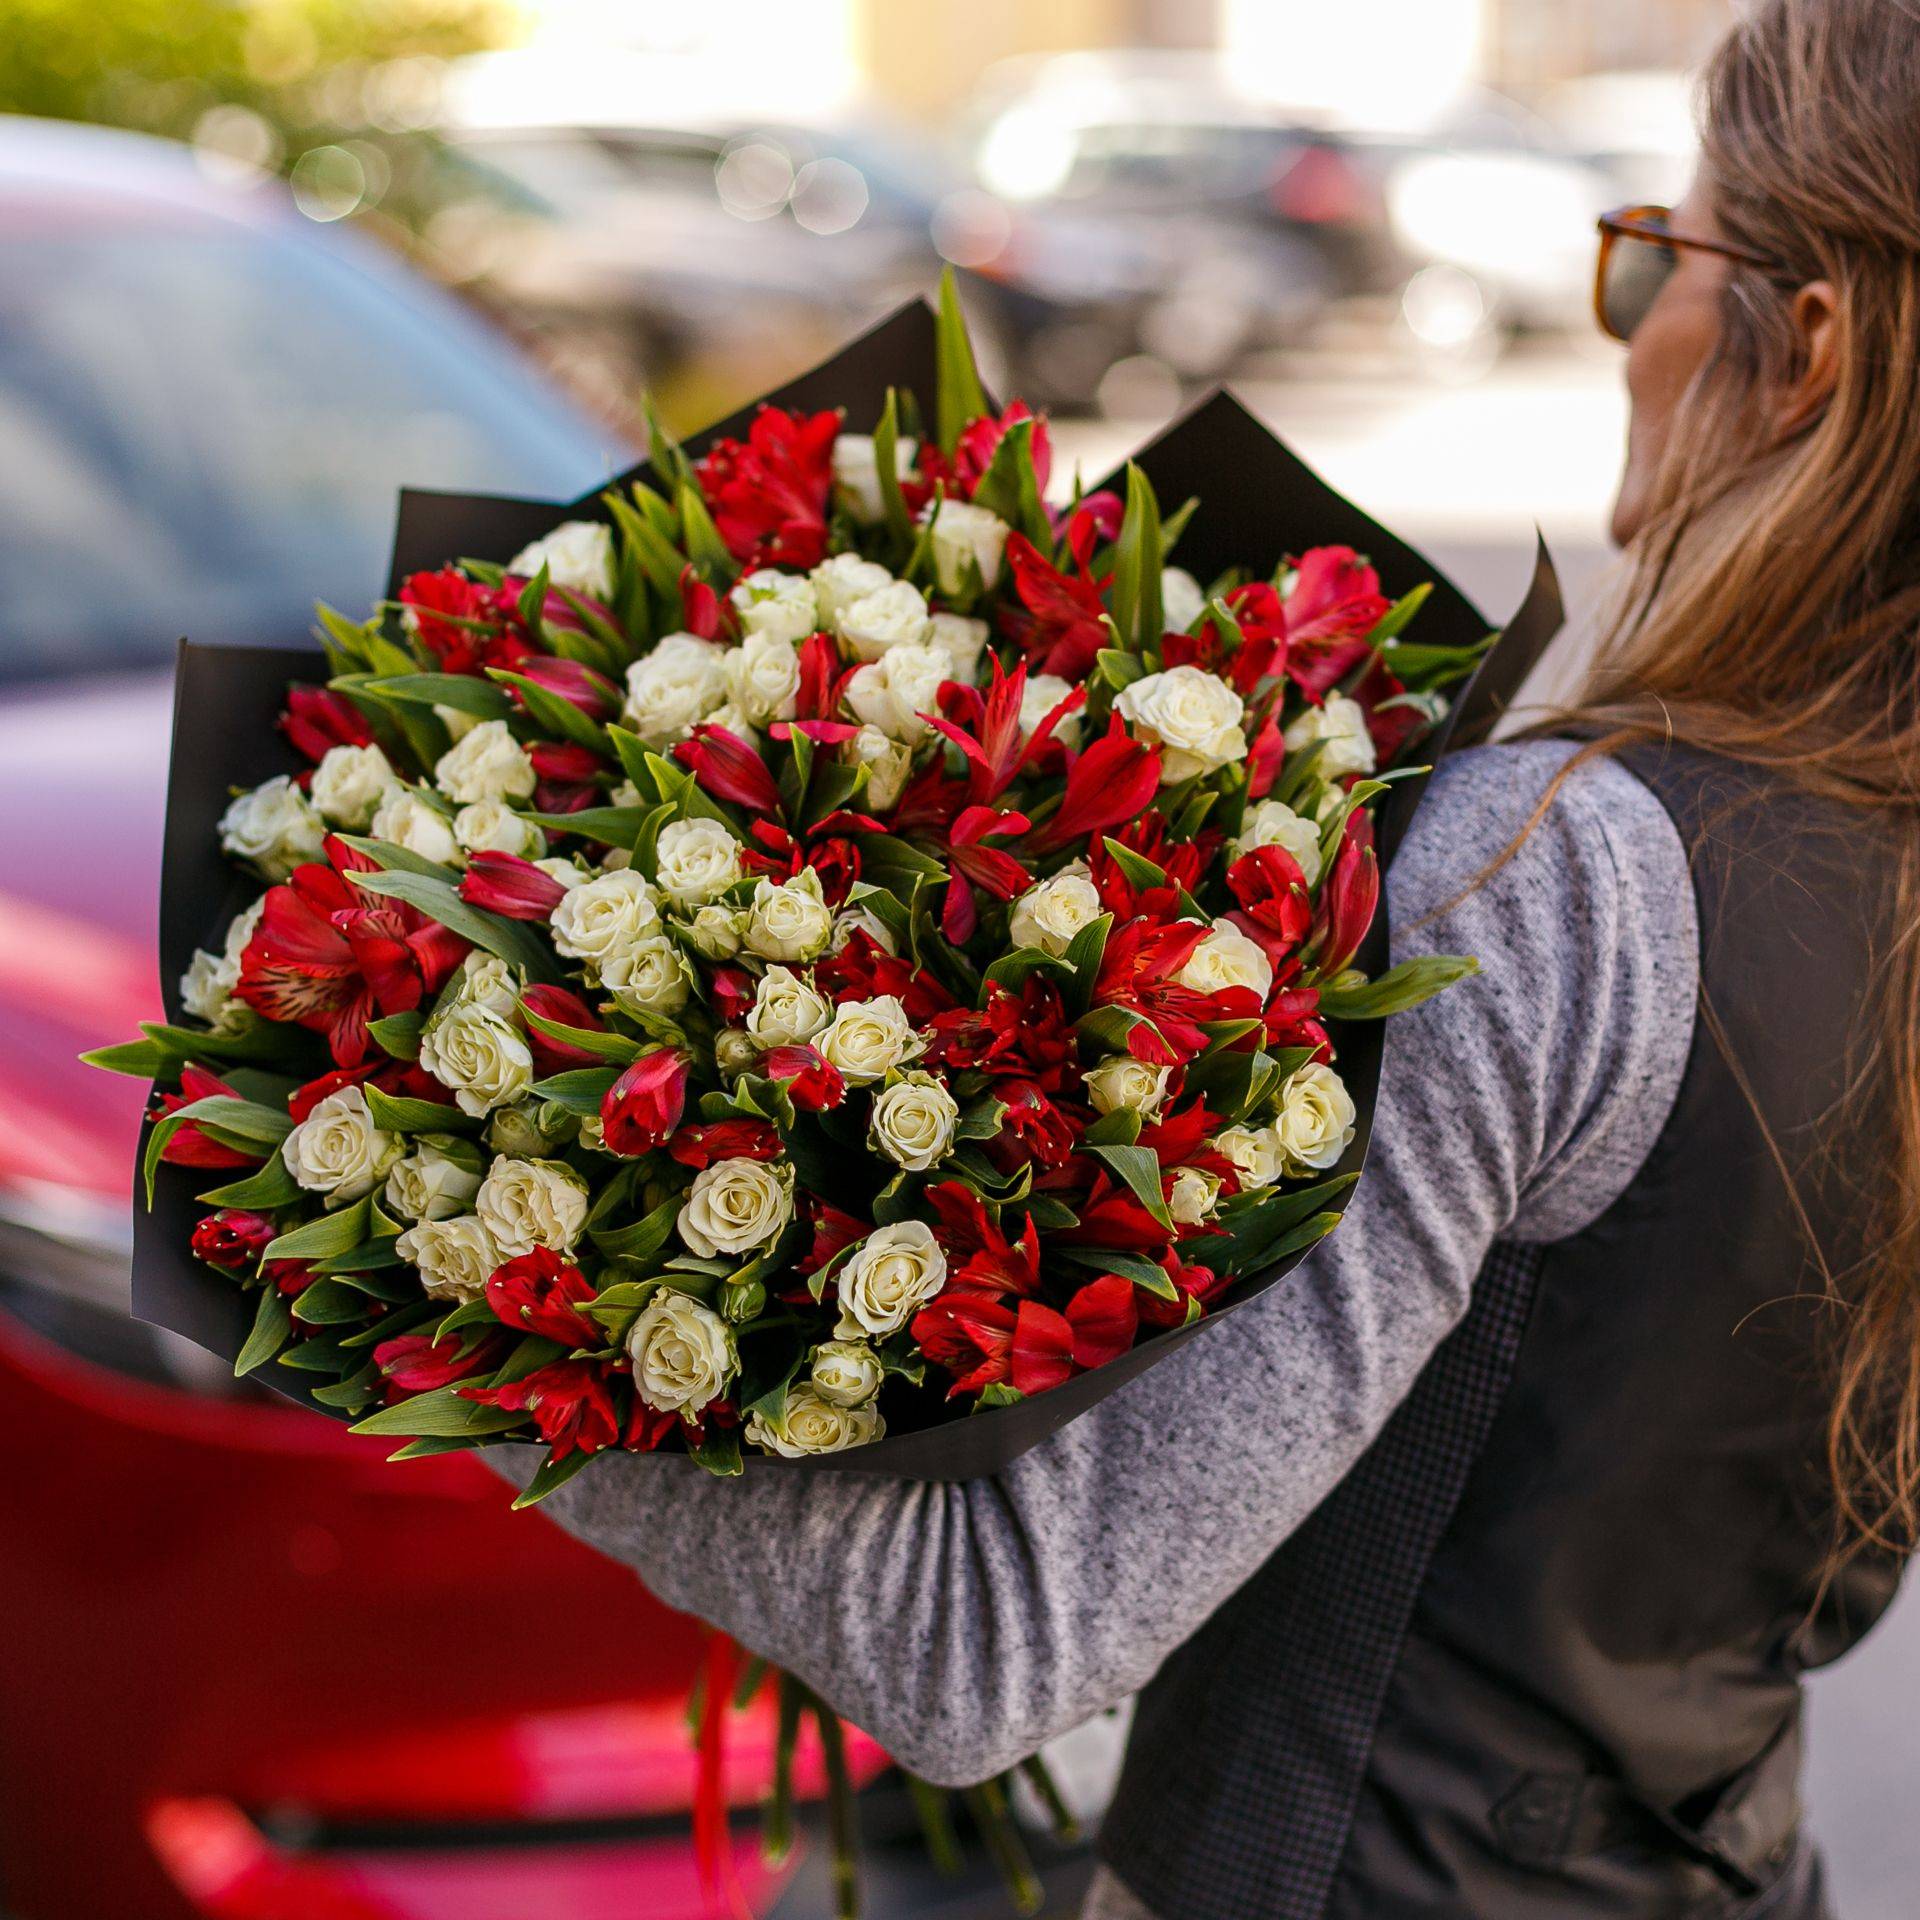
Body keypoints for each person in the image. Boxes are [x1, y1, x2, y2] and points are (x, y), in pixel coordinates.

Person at [504, 3, 1919, 1912]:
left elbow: (988, 1636)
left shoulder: (1576, 881)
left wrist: (483, 1280)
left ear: (1809, 345)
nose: (1639, 324)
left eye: (1663, 256)